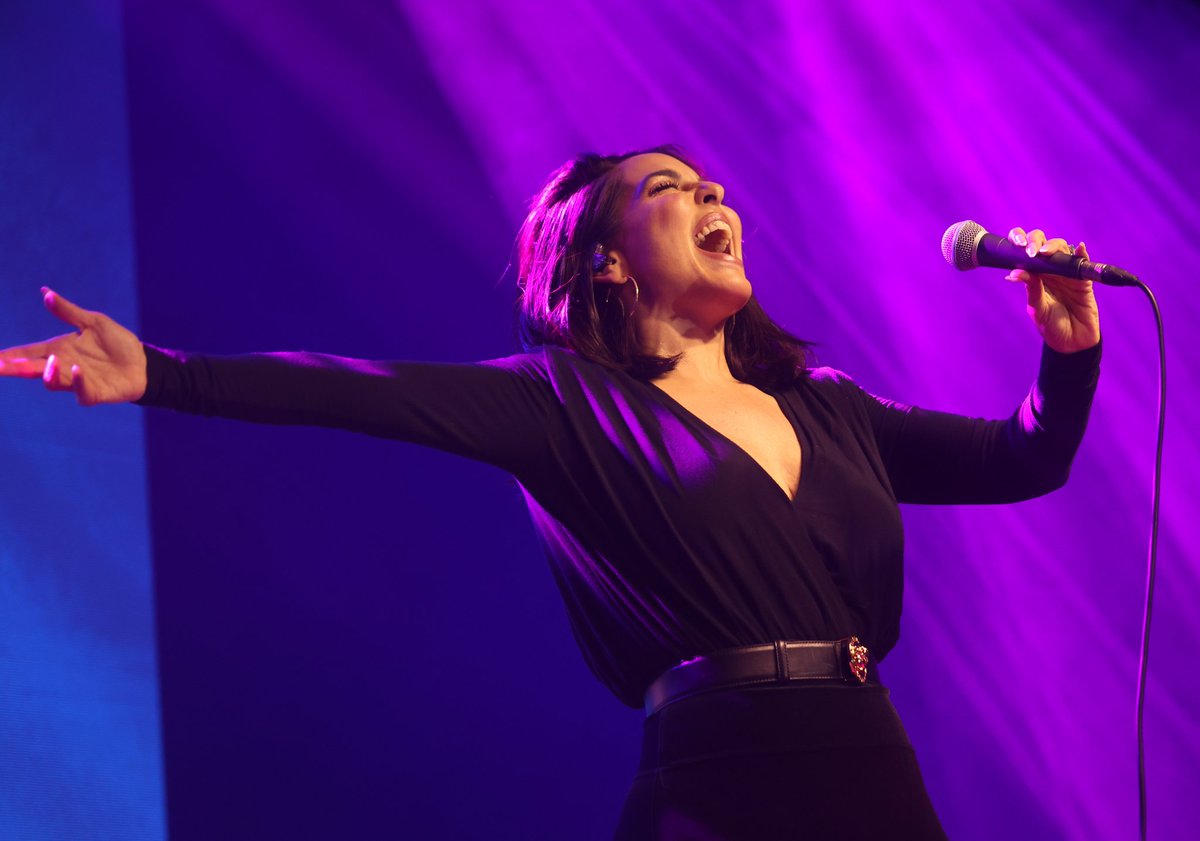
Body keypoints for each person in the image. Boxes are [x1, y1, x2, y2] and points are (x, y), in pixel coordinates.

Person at [0, 145, 1101, 840]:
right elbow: (361, 393)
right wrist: (168, 374)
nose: (712, 194)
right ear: (609, 261)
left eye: (713, 185)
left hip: (868, 750)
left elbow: (1024, 459)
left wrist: (1068, 352)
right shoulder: (566, 406)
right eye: (669, 190)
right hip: (722, 763)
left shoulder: (828, 406)